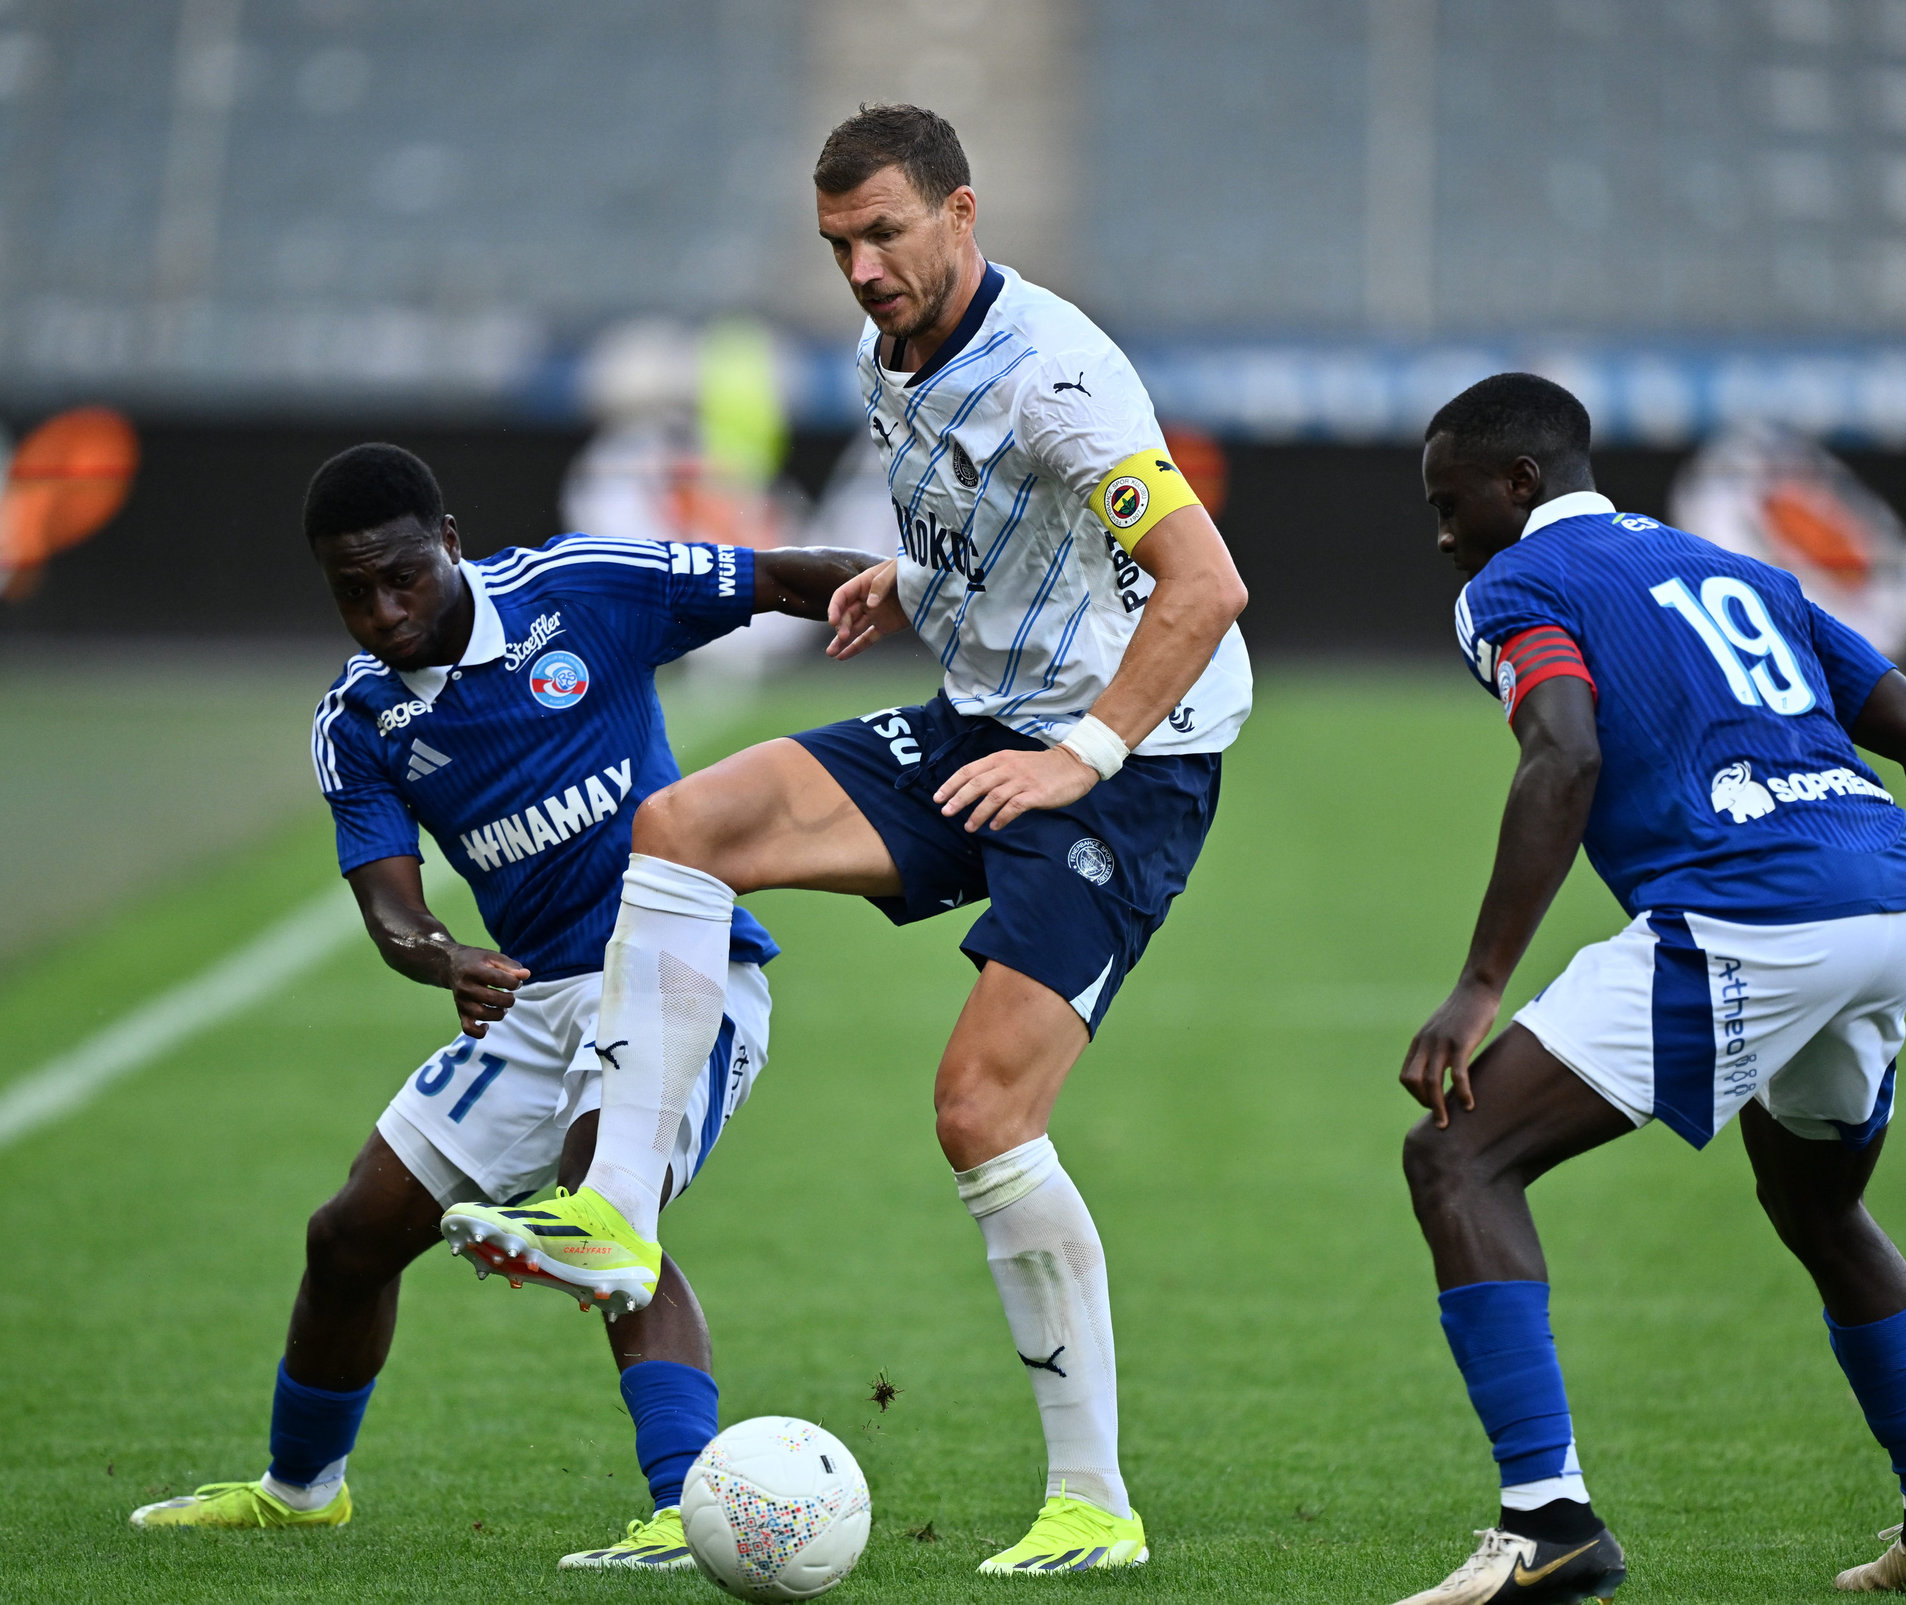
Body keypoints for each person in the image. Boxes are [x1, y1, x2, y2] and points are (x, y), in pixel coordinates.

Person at [443, 103, 1252, 1577]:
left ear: (959, 212)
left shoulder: (1056, 374)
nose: (863, 269)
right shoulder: (896, 352)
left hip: (1126, 758)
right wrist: (908, 573)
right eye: (838, 245)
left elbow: (1204, 588)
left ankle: (1093, 1504)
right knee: (682, 826)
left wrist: (1082, 755)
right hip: (980, 710)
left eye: (885, 233)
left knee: (980, 1114)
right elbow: (1000, 518)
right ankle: (615, 1211)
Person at [130, 443, 875, 1573]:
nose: (381, 613)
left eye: (402, 579)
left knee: (600, 1208)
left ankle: (686, 1506)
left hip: (678, 968)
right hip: (530, 1002)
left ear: (452, 542)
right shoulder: (360, 720)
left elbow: (776, 576)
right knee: (347, 1239)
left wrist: (931, 602)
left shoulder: (579, 590)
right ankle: (300, 1491)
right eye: (350, 592)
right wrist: (443, 961)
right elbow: (390, 907)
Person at [1387, 373, 1906, 1604]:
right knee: (1820, 1207)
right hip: (1888, 908)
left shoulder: (1509, 586)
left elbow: (1562, 749)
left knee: (1458, 1157)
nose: (1442, 529)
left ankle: (1548, 1522)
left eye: (1449, 499)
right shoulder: (1734, 570)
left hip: (1749, 910)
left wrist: (1477, 988)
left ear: (1518, 485)